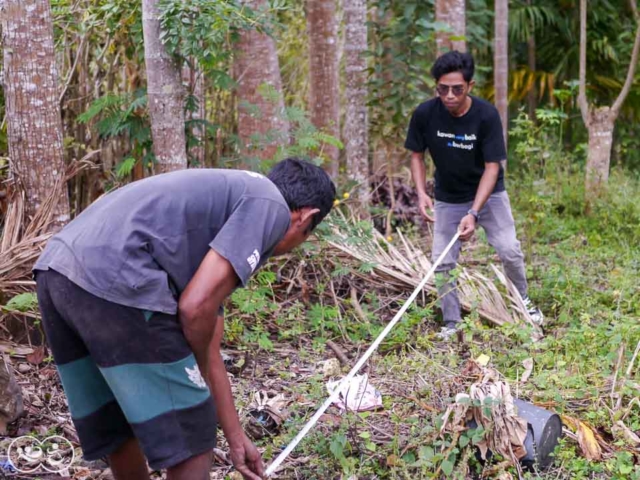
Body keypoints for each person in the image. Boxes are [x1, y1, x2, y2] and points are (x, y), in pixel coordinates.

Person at [33, 158, 336, 480]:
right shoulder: (269, 203)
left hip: (57, 273)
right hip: (116, 277)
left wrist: (235, 438)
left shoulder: (219, 211)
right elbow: (195, 308)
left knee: (118, 420)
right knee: (192, 426)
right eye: (305, 236)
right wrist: (195, 385)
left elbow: (209, 342)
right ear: (305, 216)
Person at [404, 50, 543, 340]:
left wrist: (474, 212)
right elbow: (416, 155)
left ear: (470, 86)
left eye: (457, 89)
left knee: (509, 249)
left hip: (489, 194)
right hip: (449, 196)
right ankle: (451, 322)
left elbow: (493, 168)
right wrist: (421, 193)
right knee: (442, 261)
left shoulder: (486, 115)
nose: (450, 95)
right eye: (443, 89)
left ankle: (524, 302)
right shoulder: (425, 114)